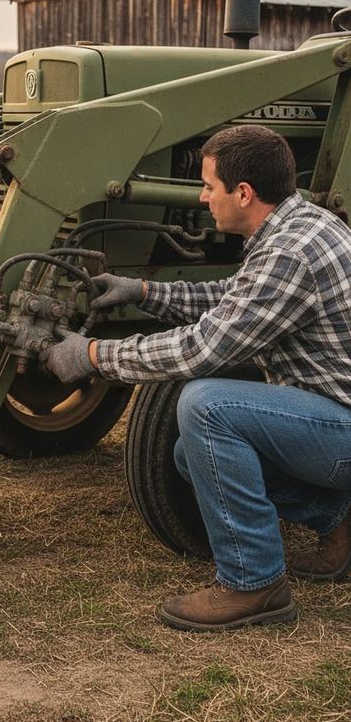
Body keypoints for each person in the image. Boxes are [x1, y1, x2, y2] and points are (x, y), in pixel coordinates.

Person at [43, 124, 351, 631]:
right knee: (192, 454)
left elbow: (204, 349)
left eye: (209, 186)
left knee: (205, 403)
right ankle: (339, 522)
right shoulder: (297, 225)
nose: (203, 197)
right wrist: (142, 290)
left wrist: (94, 355)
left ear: (244, 193)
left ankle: (255, 584)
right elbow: (237, 298)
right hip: (329, 416)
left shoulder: (291, 253)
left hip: (340, 430)